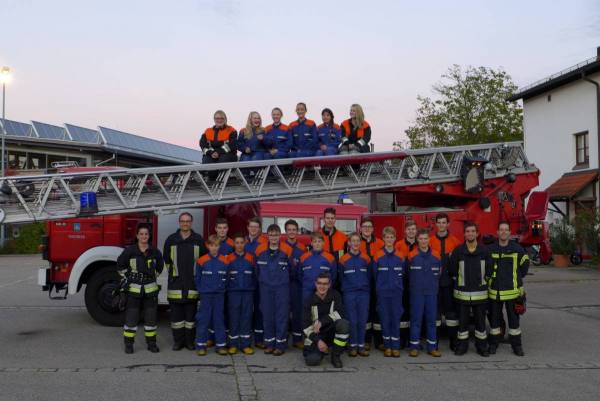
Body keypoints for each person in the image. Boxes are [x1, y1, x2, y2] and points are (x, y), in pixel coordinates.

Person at [163, 212, 207, 351]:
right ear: (179, 222)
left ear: (191, 223)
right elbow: (167, 260)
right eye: (183, 221)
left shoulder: (198, 240)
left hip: (192, 284)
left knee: (190, 318)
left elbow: (203, 261)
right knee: (176, 318)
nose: (185, 223)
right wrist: (174, 274)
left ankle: (189, 342)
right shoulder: (171, 239)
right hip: (176, 284)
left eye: (188, 221)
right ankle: (178, 342)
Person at [118, 223, 164, 354]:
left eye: (146, 234)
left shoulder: (155, 252)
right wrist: (130, 277)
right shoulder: (130, 251)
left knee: (151, 319)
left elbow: (160, 266)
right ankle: (129, 344)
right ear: (137, 235)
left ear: (149, 236)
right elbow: (120, 265)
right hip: (133, 291)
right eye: (141, 234)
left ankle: (151, 343)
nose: (144, 236)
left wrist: (151, 277)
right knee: (131, 319)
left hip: (151, 291)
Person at [448, 222, 491, 357]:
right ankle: (462, 346)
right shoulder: (458, 251)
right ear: (464, 234)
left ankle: (482, 347)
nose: (470, 233)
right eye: (468, 231)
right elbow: (452, 271)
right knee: (463, 324)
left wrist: (484, 281)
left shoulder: (484, 251)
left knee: (480, 323)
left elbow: (489, 270)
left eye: (473, 231)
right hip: (462, 294)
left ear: (477, 233)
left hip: (480, 294)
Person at [487, 221, 529, 356]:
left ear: (510, 233)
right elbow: (486, 268)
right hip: (495, 292)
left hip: (513, 292)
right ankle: (493, 344)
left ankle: (517, 346)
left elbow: (524, 265)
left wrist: (516, 279)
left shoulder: (517, 249)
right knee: (495, 321)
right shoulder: (491, 249)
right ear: (497, 232)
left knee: (514, 322)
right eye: (501, 230)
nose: (504, 232)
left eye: (506, 230)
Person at [255, 224, 293, 355]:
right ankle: (269, 343)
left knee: (281, 316)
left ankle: (280, 345)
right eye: (271, 235)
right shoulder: (259, 250)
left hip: (282, 288)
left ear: (280, 235)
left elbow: (292, 270)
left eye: (276, 234)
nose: (273, 237)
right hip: (265, 288)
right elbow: (256, 270)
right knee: (267, 316)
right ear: (267, 236)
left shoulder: (287, 250)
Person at [303, 273, 350, 368]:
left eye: (325, 284)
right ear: (315, 284)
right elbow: (305, 326)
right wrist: (318, 341)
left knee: (344, 324)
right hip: (317, 334)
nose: (322, 286)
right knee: (312, 360)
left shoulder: (335, 295)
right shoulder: (309, 300)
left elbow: (341, 313)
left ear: (329, 284)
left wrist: (322, 322)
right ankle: (322, 349)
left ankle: (335, 356)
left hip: (331, 331)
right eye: (319, 283)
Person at [407, 229, 442, 357]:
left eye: (425, 238)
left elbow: (439, 273)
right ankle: (414, 346)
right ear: (417, 240)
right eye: (420, 239)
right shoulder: (411, 256)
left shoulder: (437, 256)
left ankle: (432, 347)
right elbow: (407, 275)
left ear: (429, 240)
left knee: (431, 321)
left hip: (431, 293)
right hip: (416, 294)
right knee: (416, 320)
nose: (423, 241)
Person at [429, 213, 461, 350]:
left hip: (449, 284)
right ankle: (434, 342)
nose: (441, 225)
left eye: (444, 222)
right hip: (434, 284)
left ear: (448, 224)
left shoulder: (456, 242)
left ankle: (453, 342)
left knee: (451, 314)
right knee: (434, 314)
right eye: (439, 222)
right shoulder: (429, 241)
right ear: (435, 224)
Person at [373, 226, 405, 357]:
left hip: (396, 293)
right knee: (385, 319)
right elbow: (375, 275)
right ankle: (387, 346)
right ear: (383, 239)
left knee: (395, 319)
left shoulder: (400, 256)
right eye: (387, 237)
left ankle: (395, 347)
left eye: (392, 237)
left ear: (395, 239)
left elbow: (403, 274)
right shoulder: (377, 256)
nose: (389, 239)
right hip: (383, 293)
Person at [195, 235, 229, 356]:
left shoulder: (225, 261)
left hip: (219, 295)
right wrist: (202, 290)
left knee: (219, 320)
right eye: (212, 245)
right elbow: (197, 278)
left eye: (216, 245)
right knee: (203, 320)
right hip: (206, 296)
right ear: (207, 246)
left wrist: (222, 289)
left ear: (219, 246)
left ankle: (220, 346)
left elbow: (228, 278)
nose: (214, 248)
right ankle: (201, 345)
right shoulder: (201, 260)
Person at [339, 232, 371, 357]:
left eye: (358, 241)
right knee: (351, 320)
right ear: (349, 243)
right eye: (353, 241)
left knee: (362, 320)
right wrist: (347, 288)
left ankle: (361, 346)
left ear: (360, 243)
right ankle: (352, 346)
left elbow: (369, 276)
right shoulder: (343, 259)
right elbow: (341, 277)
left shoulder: (366, 258)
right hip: (349, 293)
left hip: (363, 293)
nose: (356, 243)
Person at [226, 233, 256, 355]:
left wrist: (251, 287)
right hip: (233, 293)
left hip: (248, 293)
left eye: (241, 242)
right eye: (237, 243)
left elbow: (255, 275)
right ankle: (233, 344)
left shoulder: (251, 257)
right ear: (234, 244)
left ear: (245, 244)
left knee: (246, 318)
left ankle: (245, 344)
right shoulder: (228, 258)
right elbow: (225, 275)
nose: (239, 245)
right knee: (233, 318)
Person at [359, 217, 384, 352]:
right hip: (363, 282)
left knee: (378, 310)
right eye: (364, 226)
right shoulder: (356, 243)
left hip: (378, 282)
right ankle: (366, 340)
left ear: (373, 229)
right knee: (366, 312)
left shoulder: (380, 243)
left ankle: (379, 341)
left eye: (369, 226)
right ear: (360, 228)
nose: (367, 229)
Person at [284, 219, 308, 349]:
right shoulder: (282, 247)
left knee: (298, 312)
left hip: (298, 285)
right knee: (284, 312)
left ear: (297, 231)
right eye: (289, 230)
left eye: (294, 229)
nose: (292, 232)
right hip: (284, 284)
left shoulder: (302, 248)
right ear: (286, 231)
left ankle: (298, 339)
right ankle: (283, 338)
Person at [244, 217, 267, 349]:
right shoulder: (243, 242)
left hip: (259, 282)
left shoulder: (264, 242)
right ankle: (245, 337)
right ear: (248, 228)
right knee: (246, 311)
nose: (253, 229)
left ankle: (259, 338)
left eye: (256, 227)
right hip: (245, 281)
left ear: (259, 229)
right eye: (251, 226)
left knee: (259, 310)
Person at [395, 220, 417, 349]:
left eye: (413, 229)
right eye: (409, 229)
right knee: (403, 311)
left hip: (416, 282)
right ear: (405, 231)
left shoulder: (420, 244)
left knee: (414, 311)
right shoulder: (398, 245)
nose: (411, 231)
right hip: (402, 281)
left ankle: (413, 339)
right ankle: (402, 338)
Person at [298, 232, 337, 302]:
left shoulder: (330, 257)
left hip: (324, 291)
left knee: (323, 311)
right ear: (311, 243)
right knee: (307, 311)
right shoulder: (303, 257)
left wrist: (326, 286)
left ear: (323, 243)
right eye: (315, 241)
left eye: (319, 241)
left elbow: (333, 276)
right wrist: (307, 284)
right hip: (307, 291)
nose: (317, 244)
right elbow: (299, 275)